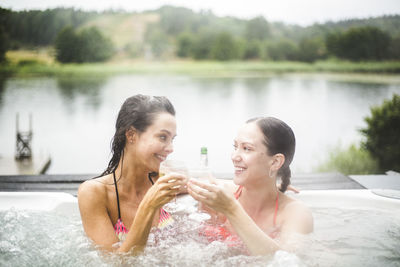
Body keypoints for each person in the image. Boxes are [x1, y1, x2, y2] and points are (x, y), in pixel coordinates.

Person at [187, 117, 313, 255]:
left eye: (247, 148)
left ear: (275, 162)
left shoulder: (295, 213)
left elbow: (285, 262)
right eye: (235, 147)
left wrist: (231, 209)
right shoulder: (221, 195)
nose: (234, 156)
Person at [78, 95, 186, 253]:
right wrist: (149, 206)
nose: (171, 148)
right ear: (131, 135)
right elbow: (118, 263)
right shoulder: (94, 194)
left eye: (172, 139)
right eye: (163, 137)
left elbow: (207, 185)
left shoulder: (163, 180)